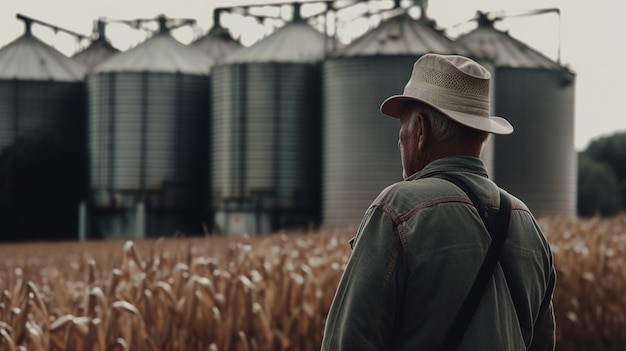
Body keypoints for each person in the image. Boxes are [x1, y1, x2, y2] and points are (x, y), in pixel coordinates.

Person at [321, 53, 556, 350]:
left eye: (402, 126)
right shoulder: (526, 222)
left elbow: (348, 341)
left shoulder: (398, 209)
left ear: (420, 131)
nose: (400, 139)